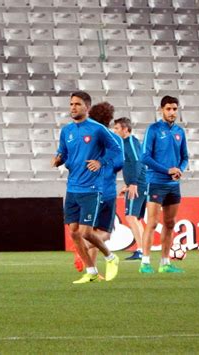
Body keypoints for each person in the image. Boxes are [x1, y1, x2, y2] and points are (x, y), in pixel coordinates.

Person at [51, 91, 123, 284]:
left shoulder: (98, 129)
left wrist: (101, 162)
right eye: (71, 104)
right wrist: (59, 160)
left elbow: (116, 149)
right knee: (74, 231)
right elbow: (63, 152)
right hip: (72, 187)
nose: (73, 107)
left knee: (86, 232)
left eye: (77, 104)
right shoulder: (67, 131)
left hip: (91, 188)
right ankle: (90, 270)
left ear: (87, 108)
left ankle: (110, 257)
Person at [139, 95, 189, 274]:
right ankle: (145, 262)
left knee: (170, 223)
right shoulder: (153, 130)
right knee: (152, 223)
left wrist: (179, 169)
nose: (172, 112)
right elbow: (144, 157)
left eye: (175, 109)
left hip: (173, 185)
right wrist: (167, 170)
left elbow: (185, 157)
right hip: (155, 183)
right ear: (161, 110)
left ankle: (165, 263)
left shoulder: (179, 132)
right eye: (168, 109)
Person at [82, 102, 124, 271]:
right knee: (104, 233)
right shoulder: (115, 139)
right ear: (109, 120)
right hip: (106, 191)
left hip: (88, 190)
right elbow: (119, 163)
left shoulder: (88, 139)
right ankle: (82, 246)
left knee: (91, 230)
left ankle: (92, 271)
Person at [113, 117, 147, 260]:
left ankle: (141, 251)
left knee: (131, 217)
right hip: (137, 184)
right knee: (136, 218)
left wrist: (133, 183)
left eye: (117, 128)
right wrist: (127, 185)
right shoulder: (125, 144)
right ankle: (143, 250)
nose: (114, 131)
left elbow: (137, 162)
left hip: (137, 184)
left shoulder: (130, 142)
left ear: (125, 129)